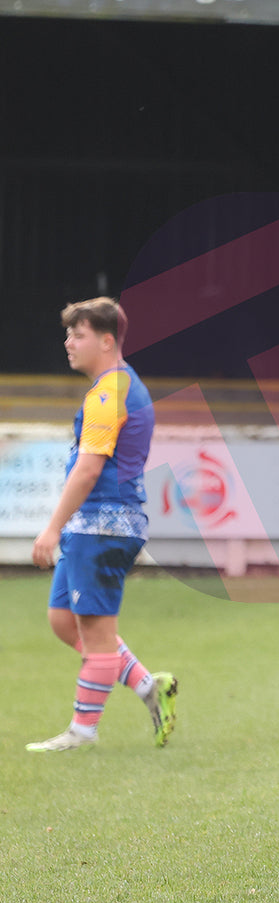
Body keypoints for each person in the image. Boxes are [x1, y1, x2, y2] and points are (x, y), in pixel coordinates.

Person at [28, 297, 177, 752]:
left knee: (95, 637)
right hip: (93, 524)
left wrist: (52, 526)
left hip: (103, 525)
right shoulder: (113, 387)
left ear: (107, 340)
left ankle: (82, 732)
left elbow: (89, 468)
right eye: (68, 334)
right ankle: (150, 686)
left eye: (79, 334)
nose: (69, 343)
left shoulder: (111, 392)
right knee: (63, 622)